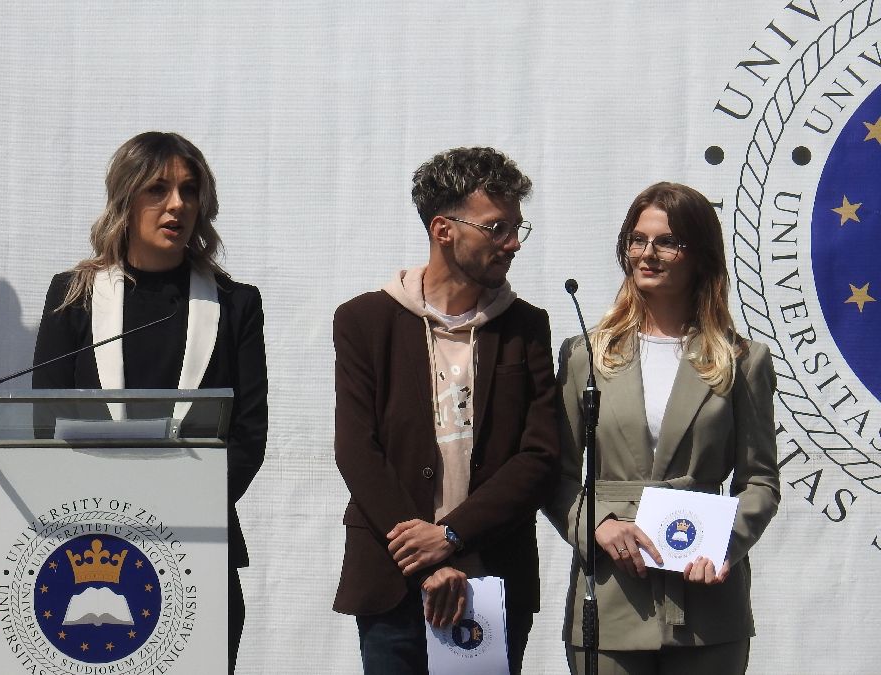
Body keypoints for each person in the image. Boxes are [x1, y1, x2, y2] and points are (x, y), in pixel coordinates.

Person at [32, 131, 268, 671]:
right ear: (126, 197)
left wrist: (174, 508)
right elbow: (46, 422)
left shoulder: (235, 304)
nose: (177, 204)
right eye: (157, 189)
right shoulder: (74, 295)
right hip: (89, 543)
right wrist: (114, 511)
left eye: (189, 190)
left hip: (199, 542)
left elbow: (248, 435)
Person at [332, 146, 560, 674]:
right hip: (392, 578)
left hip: (491, 574)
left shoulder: (527, 327)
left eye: (517, 228)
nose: (513, 243)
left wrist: (452, 536)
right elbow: (357, 449)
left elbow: (540, 455)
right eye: (497, 228)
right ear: (443, 230)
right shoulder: (364, 320)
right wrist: (423, 556)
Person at [546, 182, 780, 674]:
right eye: (637, 239)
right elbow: (554, 473)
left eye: (667, 242)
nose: (647, 253)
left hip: (707, 605)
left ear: (701, 256)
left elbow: (759, 480)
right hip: (611, 596)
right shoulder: (585, 355)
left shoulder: (743, 360)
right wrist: (597, 525)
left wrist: (724, 544)